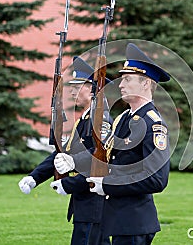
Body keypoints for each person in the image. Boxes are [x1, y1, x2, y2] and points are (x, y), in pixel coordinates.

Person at [54, 43, 172, 245]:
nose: (120, 85)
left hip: (135, 222)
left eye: (127, 79)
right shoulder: (124, 119)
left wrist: (107, 184)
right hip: (119, 220)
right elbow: (105, 154)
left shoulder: (152, 123)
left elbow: (156, 180)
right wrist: (73, 160)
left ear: (145, 84)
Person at [18, 56, 112, 245]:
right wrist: (35, 177)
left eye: (78, 87)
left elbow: (97, 159)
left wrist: (68, 184)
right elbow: (63, 154)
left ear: (93, 90)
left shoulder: (100, 120)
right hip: (85, 203)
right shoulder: (83, 120)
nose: (72, 92)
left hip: (94, 203)